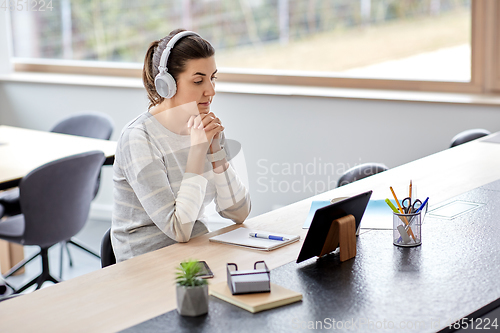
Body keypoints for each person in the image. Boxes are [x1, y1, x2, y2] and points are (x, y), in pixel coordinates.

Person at [111, 29, 251, 262]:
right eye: (198, 80)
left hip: (194, 252)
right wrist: (197, 151)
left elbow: (239, 213)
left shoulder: (205, 128)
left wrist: (216, 153)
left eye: (212, 78)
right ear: (167, 86)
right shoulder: (139, 138)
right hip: (146, 263)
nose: (211, 91)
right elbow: (179, 229)